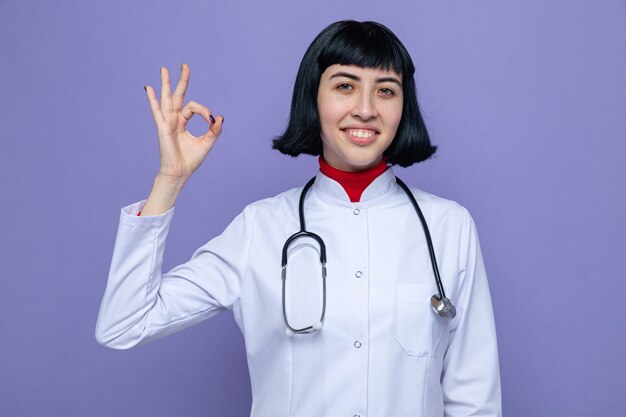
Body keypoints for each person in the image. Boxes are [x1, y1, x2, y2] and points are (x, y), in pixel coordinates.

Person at [96, 20, 501, 417]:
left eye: (385, 91)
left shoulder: (448, 227)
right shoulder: (261, 227)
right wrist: (170, 180)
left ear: (403, 107)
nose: (365, 109)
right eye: (345, 86)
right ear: (313, 97)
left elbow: (475, 401)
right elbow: (125, 325)